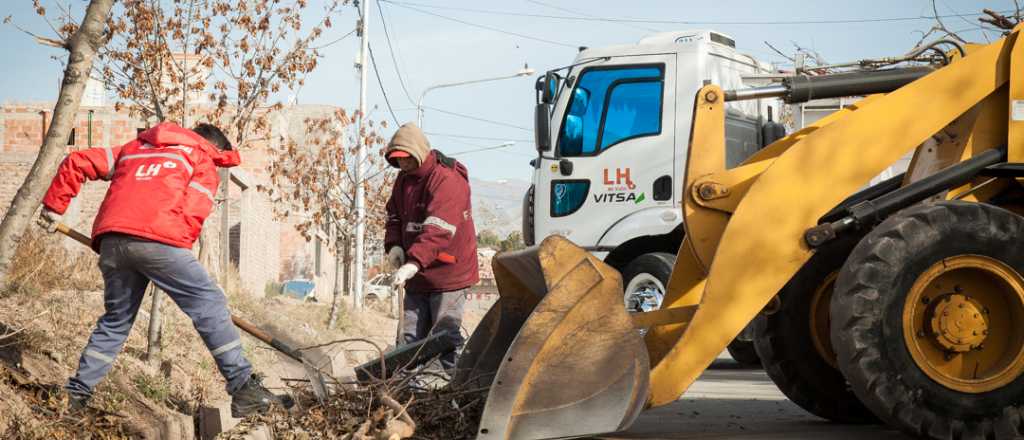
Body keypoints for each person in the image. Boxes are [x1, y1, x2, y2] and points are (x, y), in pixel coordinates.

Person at [38, 122, 289, 417]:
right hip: (160, 242)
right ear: (215, 148)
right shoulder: (201, 158)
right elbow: (193, 215)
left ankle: (76, 394)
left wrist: (54, 206)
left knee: (116, 321)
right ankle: (244, 386)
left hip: (112, 242)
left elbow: (77, 160)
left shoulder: (133, 149)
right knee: (210, 302)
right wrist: (168, 262)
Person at [384, 123, 479, 373]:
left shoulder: (446, 179)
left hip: (448, 272)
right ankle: (408, 389)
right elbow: (394, 215)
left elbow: (439, 229)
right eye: (396, 160)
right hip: (417, 272)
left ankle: (455, 386)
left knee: (443, 335)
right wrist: (394, 245)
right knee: (409, 337)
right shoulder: (403, 180)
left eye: (405, 159)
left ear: (417, 153)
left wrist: (413, 263)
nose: (401, 165)